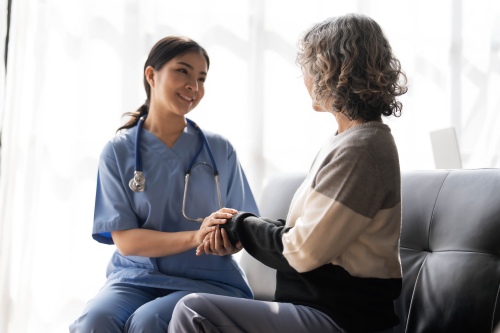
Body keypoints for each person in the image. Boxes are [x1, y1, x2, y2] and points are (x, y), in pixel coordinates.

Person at [168, 13, 408, 333]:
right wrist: (239, 226)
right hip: (319, 307)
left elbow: (302, 250)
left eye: (309, 68)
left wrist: (240, 225)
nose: (306, 78)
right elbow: (304, 232)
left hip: (344, 319)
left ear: (331, 71)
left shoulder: (362, 148)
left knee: (193, 311)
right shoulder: (347, 141)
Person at [70, 36, 259, 332]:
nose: (193, 87)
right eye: (183, 71)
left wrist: (229, 240)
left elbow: (244, 226)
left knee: (149, 321)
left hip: (209, 280)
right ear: (151, 74)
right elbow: (127, 242)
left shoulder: (220, 150)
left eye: (201, 78)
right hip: (135, 278)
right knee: (95, 321)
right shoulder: (118, 151)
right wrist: (196, 237)